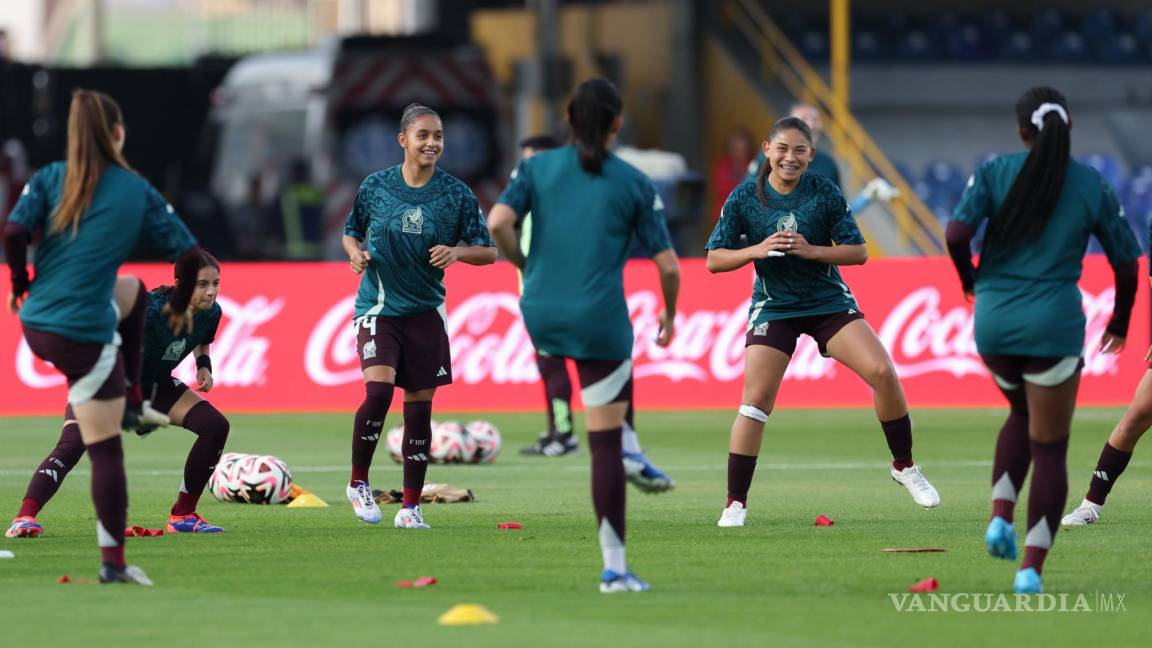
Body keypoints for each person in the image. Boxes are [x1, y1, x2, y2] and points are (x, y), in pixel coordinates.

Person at [488, 78, 681, 593]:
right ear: (617, 124)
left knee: (561, 367)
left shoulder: (535, 166)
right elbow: (669, 267)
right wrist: (669, 314)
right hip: (599, 319)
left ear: (568, 121)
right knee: (605, 443)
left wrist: (525, 266)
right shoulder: (634, 182)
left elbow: (498, 222)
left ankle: (608, 441)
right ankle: (615, 566)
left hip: (540, 311)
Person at [2, 89, 202, 585]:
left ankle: (132, 396)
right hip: (82, 333)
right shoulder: (134, 188)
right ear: (117, 133)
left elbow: (11, 234)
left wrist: (19, 285)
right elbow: (191, 255)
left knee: (131, 290)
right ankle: (114, 565)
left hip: (37, 323)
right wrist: (179, 306)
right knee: (106, 446)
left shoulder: (49, 177)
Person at [947, 86, 1140, 593]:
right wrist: (1120, 321)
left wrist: (970, 280)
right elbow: (1126, 261)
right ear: (1068, 128)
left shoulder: (993, 171)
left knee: (1019, 413)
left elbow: (955, 234)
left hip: (993, 322)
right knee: (1050, 448)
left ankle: (999, 517)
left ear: (1021, 131)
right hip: (1052, 326)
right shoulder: (1090, 185)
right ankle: (1031, 567)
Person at [706, 116, 940, 530]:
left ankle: (903, 466)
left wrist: (812, 251)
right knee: (754, 403)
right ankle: (735, 503)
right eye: (782, 149)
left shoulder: (825, 192)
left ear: (811, 155)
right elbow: (714, 259)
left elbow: (858, 252)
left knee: (883, 372)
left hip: (827, 303)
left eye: (799, 150)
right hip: (774, 306)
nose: (790, 158)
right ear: (767, 151)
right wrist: (757, 249)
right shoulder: (744, 197)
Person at [341, 103, 496, 530]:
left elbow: (489, 251)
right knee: (378, 392)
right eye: (424, 135)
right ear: (403, 140)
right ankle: (358, 483)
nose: (433, 143)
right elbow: (351, 231)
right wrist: (356, 255)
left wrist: (458, 252)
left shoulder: (456, 194)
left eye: (439, 136)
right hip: (378, 308)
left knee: (420, 409)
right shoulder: (376, 186)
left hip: (426, 312)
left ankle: (411, 508)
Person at [6, 251, 229, 538]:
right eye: (202, 284)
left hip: (153, 385)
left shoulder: (212, 312)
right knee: (73, 444)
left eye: (216, 283)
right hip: (104, 380)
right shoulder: (148, 310)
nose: (211, 291)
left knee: (214, 425)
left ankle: (183, 515)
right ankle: (24, 518)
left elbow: (202, 341)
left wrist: (203, 365)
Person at [514, 134, 674, 492]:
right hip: (553, 295)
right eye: (526, 157)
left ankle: (568, 435)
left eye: (536, 156)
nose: (529, 164)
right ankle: (615, 444)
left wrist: (528, 269)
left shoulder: (551, 193)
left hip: (550, 296)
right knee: (593, 365)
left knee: (569, 365)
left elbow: (498, 225)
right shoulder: (542, 192)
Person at [711, 128, 756, 223]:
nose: (738, 153)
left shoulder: (755, 166)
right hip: (724, 219)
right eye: (735, 148)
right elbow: (721, 189)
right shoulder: (722, 165)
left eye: (742, 149)